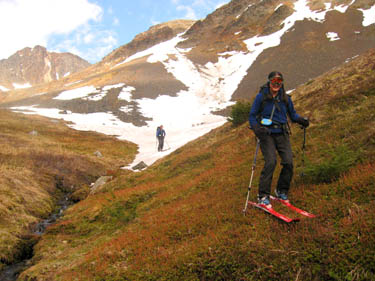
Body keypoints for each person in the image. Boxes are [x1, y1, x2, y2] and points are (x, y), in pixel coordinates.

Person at [249, 71, 309, 207]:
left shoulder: (286, 98)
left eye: (279, 81)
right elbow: (252, 116)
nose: (276, 84)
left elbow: (292, 115)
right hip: (266, 134)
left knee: (288, 163)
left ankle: (281, 191)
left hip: (282, 133)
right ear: (269, 82)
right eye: (274, 81)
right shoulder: (261, 97)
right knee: (271, 162)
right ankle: (263, 196)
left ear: (281, 83)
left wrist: (302, 120)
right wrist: (257, 129)